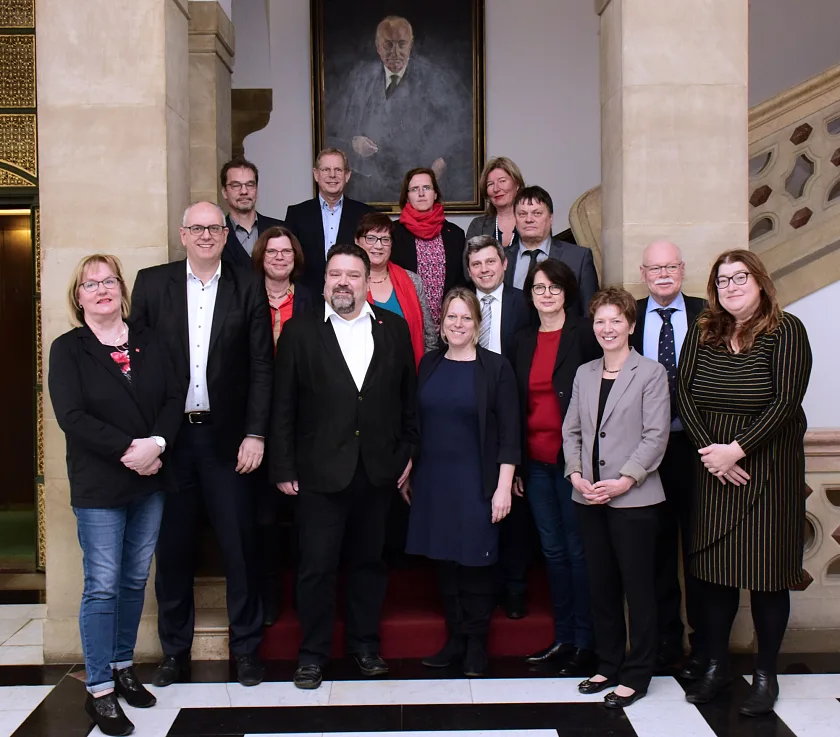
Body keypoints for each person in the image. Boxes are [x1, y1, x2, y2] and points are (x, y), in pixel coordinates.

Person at [130, 201, 274, 688]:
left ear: (223, 234)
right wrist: (148, 436)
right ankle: (174, 653)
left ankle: (247, 650)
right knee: (172, 552)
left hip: (228, 440)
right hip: (169, 441)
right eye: (198, 228)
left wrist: (256, 433)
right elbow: (140, 368)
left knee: (240, 547)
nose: (208, 235)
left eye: (215, 227)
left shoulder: (247, 283)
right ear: (183, 234)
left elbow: (261, 366)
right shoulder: (152, 284)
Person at [271, 243, 418, 690]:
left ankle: (364, 646)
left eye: (353, 275)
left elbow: (407, 401)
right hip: (318, 473)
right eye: (335, 274)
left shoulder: (392, 329)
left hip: (377, 471)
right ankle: (312, 655)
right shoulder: (299, 332)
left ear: (365, 280)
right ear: (324, 279)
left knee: (368, 564)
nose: (343, 282)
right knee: (316, 567)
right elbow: (283, 406)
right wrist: (282, 466)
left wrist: (407, 453)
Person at [49, 254, 185, 736]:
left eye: (109, 281)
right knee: (103, 584)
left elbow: (175, 395)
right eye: (91, 284)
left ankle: (125, 667)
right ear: (78, 296)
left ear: (123, 290)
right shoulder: (69, 349)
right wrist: (129, 449)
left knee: (133, 580)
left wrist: (158, 444)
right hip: (101, 481)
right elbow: (72, 416)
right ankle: (100, 689)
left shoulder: (150, 340)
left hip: (151, 476)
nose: (102, 289)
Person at [677, 250, 812, 717]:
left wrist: (738, 450)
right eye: (722, 279)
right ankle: (715, 667)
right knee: (714, 577)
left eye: (740, 277)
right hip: (713, 466)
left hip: (768, 470)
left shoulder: (786, 330)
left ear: (760, 281)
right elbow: (685, 394)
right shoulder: (703, 330)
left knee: (767, 576)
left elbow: (785, 402)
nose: (731, 286)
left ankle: (765, 675)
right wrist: (713, 455)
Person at [563, 287, 670, 709]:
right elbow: (572, 430)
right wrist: (575, 474)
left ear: (631, 324)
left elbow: (655, 436)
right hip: (587, 497)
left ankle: (637, 673)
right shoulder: (585, 373)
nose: (607, 328)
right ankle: (608, 662)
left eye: (615, 321)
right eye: (600, 321)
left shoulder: (651, 373)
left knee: (638, 588)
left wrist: (624, 480)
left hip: (634, 500)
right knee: (600, 585)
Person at [406, 287, 520, 677]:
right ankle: (454, 639)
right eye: (451, 317)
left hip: (478, 482)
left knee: (476, 565)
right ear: (441, 323)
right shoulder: (430, 364)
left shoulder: (496, 367)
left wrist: (504, 485)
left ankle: (476, 645)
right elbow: (417, 425)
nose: (458, 324)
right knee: (445, 565)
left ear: (477, 324)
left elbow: (509, 433)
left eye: (466, 318)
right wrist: (409, 470)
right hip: (434, 482)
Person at [512, 259, 601, 673]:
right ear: (529, 295)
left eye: (554, 288)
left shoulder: (584, 334)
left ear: (567, 292)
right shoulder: (523, 339)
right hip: (536, 462)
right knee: (552, 551)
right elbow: (514, 404)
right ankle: (563, 637)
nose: (546, 295)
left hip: (574, 463)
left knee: (578, 551)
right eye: (538, 288)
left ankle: (586, 641)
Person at [629, 240, 708, 677]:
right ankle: (664, 641)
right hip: (647, 451)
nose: (663, 274)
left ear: (682, 269)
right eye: (655, 268)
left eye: (671, 266)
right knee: (655, 551)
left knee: (699, 550)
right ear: (643, 273)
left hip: (697, 452)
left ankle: (703, 644)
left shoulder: (707, 315)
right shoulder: (630, 316)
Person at [327, 15, 473, 203]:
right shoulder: (360, 80)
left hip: (420, 190)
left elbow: (466, 127)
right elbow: (333, 131)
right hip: (371, 190)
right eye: (388, 45)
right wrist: (353, 143)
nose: (395, 52)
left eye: (401, 44)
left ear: (411, 44)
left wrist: (444, 161)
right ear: (378, 46)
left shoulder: (435, 78)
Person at [465, 235, 532, 619]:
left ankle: (515, 588)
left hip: (514, 412)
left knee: (514, 510)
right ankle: (483, 587)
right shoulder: (462, 304)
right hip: (472, 416)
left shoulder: (526, 302)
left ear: (504, 264)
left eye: (491, 262)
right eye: (477, 265)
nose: (485, 270)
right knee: (479, 505)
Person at [250, 225, 314, 626]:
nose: (278, 257)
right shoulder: (244, 295)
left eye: (286, 251)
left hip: (303, 418)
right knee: (262, 519)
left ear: (296, 258)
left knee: (306, 517)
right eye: (272, 251)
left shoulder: (311, 299)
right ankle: (268, 598)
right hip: (255, 418)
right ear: (261, 256)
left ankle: (306, 599)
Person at [284, 148, 375, 296]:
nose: (332, 175)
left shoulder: (365, 214)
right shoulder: (297, 214)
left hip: (350, 296)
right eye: (326, 169)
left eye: (338, 170)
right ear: (316, 174)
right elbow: (289, 259)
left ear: (347, 175)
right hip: (306, 299)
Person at [354, 211, 437, 365]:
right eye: (371, 238)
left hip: (410, 375)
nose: (378, 245)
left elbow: (429, 338)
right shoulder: (348, 283)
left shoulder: (412, 280)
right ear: (357, 241)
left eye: (385, 239)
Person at [505, 186, 598, 317]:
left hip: (565, 336)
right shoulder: (501, 259)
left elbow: (590, 312)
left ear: (551, 218)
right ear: (515, 219)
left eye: (537, 213)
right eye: (522, 214)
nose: (529, 219)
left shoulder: (578, 258)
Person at [391, 167, 467, 328]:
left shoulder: (455, 234)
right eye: (414, 189)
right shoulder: (393, 233)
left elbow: (462, 281)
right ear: (407, 196)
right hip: (406, 321)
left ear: (435, 194)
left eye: (426, 188)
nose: (421, 193)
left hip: (450, 324)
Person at [221, 156, 285, 269]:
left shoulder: (280, 229)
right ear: (225, 192)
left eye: (250, 185)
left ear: (256, 189)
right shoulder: (215, 235)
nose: (244, 191)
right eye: (236, 185)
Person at [466, 157, 525, 248]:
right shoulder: (478, 225)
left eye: (502, 181)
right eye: (490, 184)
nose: (496, 189)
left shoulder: (531, 221)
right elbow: (469, 260)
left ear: (517, 184)